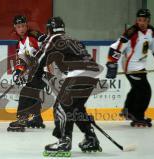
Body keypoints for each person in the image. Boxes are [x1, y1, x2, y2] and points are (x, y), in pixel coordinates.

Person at [32, 17, 103, 156]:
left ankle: (64, 141)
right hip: (92, 74)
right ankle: (90, 138)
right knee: (76, 109)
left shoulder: (53, 39)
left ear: (50, 29)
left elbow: (41, 57)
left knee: (61, 106)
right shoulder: (73, 40)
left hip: (77, 74)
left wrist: (31, 74)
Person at [105, 9, 154, 127]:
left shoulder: (151, 31)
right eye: (139, 20)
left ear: (148, 20)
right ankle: (138, 116)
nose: (142, 23)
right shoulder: (131, 32)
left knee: (136, 89)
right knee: (145, 91)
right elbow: (116, 47)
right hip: (131, 67)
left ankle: (128, 111)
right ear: (137, 20)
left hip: (141, 66)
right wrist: (112, 63)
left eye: (144, 20)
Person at [7, 15, 47, 132]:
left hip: (46, 70)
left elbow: (47, 45)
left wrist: (39, 55)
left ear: (26, 25)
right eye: (19, 26)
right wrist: (18, 72)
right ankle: (37, 118)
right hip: (37, 72)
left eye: (23, 25)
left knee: (27, 91)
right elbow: (22, 61)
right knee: (32, 91)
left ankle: (22, 119)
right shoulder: (19, 44)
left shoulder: (34, 35)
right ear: (15, 28)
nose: (22, 29)